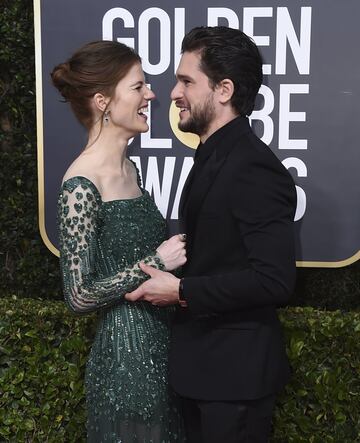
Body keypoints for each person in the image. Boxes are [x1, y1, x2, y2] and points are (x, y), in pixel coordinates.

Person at [125, 26, 297, 443]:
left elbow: (274, 279)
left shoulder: (252, 167)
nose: (173, 93)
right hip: (205, 375)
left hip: (233, 383)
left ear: (223, 90)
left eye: (186, 81)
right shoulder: (215, 155)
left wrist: (182, 291)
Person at [51, 41, 187, 442]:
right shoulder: (81, 184)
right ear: (102, 101)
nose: (151, 95)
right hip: (127, 362)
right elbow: (79, 295)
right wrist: (155, 263)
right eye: (138, 86)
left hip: (166, 350)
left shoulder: (130, 168)